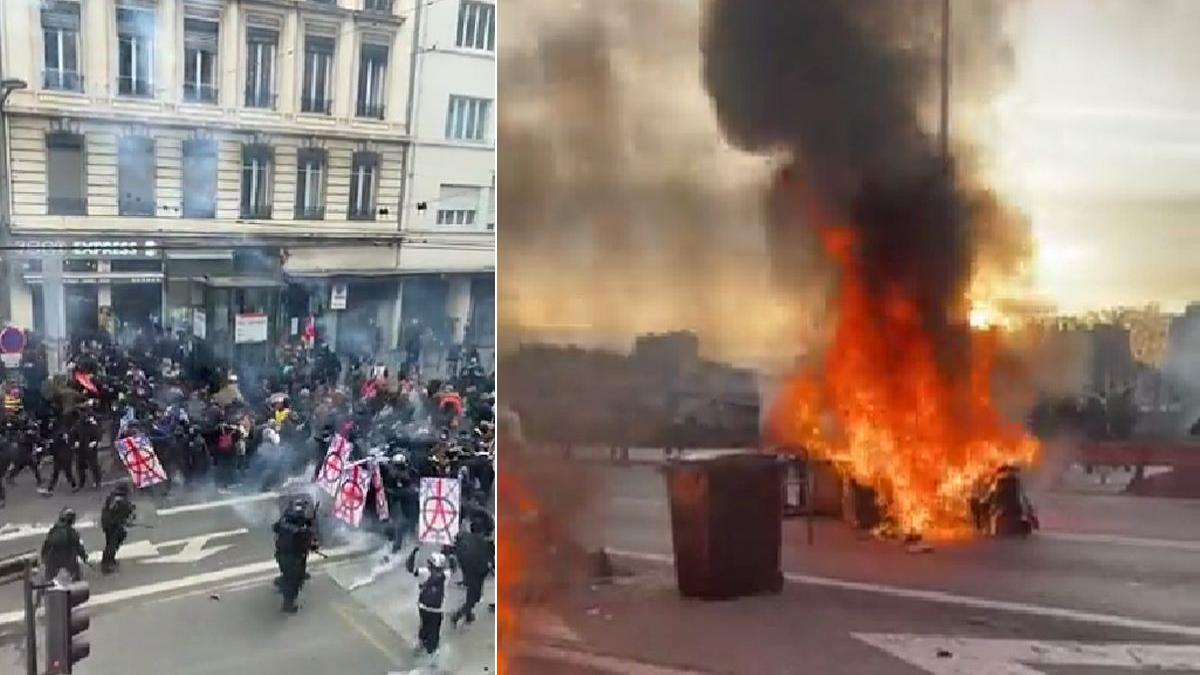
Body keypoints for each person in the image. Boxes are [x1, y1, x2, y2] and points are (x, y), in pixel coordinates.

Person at [273, 501, 317, 613]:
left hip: (281, 555)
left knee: (288, 576)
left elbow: (275, 528)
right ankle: (288, 605)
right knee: (292, 583)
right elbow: (308, 544)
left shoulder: (283, 524)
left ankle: (284, 584)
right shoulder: (300, 531)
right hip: (294, 559)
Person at [406, 548, 448, 657]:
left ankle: (421, 643)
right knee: (434, 631)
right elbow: (454, 567)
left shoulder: (424, 572)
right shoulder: (446, 575)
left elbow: (410, 568)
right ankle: (432, 652)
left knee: (424, 625)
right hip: (437, 610)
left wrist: (413, 554)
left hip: (423, 607)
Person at [450, 527, 493, 629]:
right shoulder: (482, 544)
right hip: (476, 575)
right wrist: (488, 568)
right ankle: (458, 615)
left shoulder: (467, 541)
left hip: (468, 573)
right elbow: (484, 563)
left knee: (471, 595)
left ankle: (468, 615)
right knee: (473, 598)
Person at [41, 508, 89, 582]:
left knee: (49, 578)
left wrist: (44, 558)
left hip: (54, 559)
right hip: (68, 559)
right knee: (75, 574)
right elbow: (78, 546)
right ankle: (75, 580)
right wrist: (84, 556)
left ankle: (48, 583)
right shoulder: (72, 532)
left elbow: (46, 545)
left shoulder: (53, 530)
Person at [100, 484, 136, 574]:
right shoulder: (122, 501)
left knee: (109, 542)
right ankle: (107, 565)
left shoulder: (112, 497)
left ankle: (108, 560)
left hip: (107, 524)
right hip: (114, 525)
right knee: (113, 544)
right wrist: (130, 514)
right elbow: (125, 514)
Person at [74, 402, 103, 491]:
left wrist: (95, 441)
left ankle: (97, 481)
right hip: (81, 445)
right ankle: (81, 482)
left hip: (90, 444)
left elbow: (98, 431)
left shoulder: (93, 420)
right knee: (80, 465)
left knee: (93, 464)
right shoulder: (79, 422)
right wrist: (76, 441)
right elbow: (75, 431)